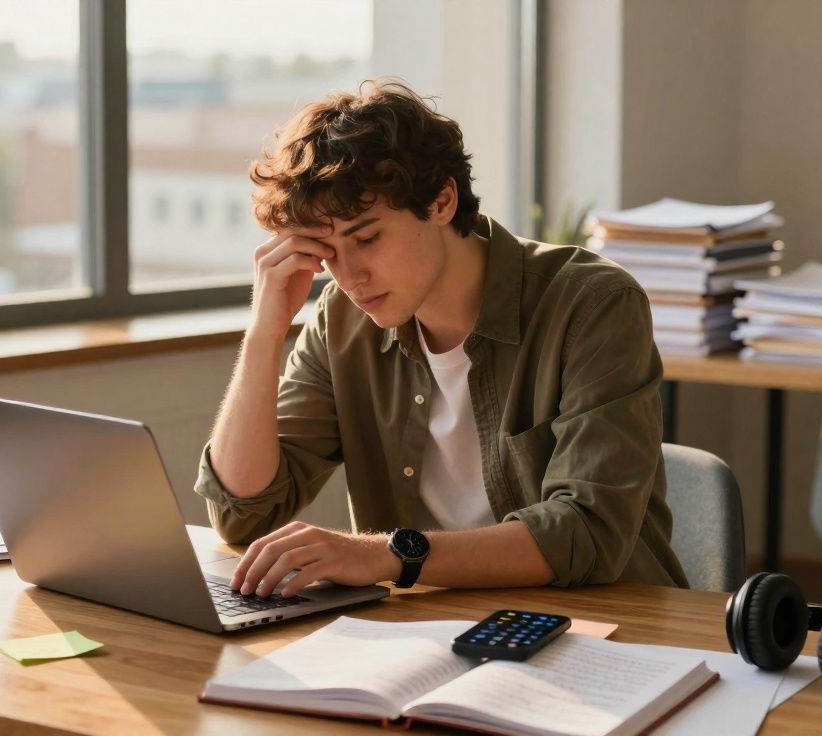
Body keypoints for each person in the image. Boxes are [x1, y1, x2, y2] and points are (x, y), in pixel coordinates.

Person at [194, 80, 687, 600]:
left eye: (366, 238)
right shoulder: (341, 322)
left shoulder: (592, 304)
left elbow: (586, 532)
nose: (349, 276)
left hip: (610, 632)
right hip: (428, 633)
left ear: (442, 200)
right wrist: (263, 334)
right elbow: (241, 515)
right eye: (328, 253)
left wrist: (381, 555)